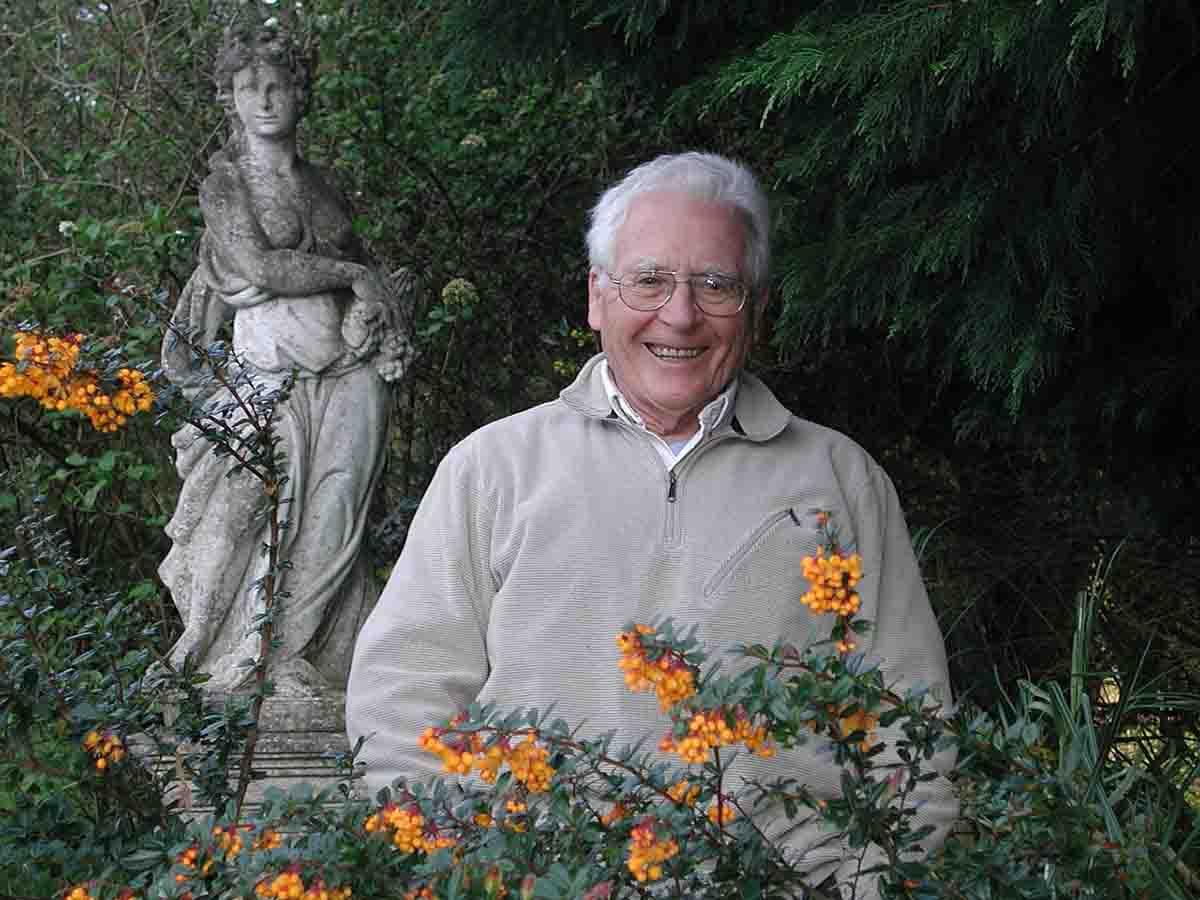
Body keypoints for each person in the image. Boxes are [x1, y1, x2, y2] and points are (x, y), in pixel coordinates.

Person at [346, 152, 955, 890]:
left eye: (715, 284)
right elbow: (401, 702)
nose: (681, 314)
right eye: (650, 280)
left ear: (757, 309)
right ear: (597, 297)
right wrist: (483, 873)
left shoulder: (841, 481)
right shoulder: (491, 470)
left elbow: (910, 733)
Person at [160, 23, 409, 696]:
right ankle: (240, 652)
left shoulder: (323, 186)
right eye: (249, 88)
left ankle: (299, 655)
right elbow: (256, 264)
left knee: (335, 520)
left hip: (351, 374)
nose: (265, 100)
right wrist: (350, 275)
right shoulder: (226, 186)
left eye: (279, 87)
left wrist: (368, 304)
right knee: (253, 508)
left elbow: (369, 275)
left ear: (301, 95)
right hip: (269, 378)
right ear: (229, 98)